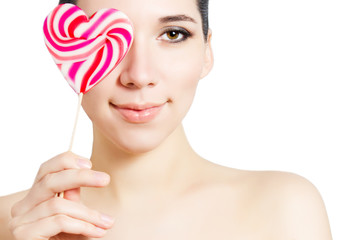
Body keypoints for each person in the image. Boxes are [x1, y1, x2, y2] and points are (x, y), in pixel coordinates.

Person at [0, 0, 333, 239]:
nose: (139, 75)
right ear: (68, 55)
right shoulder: (12, 223)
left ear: (206, 52)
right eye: (105, 40)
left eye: (173, 34)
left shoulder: (284, 206)